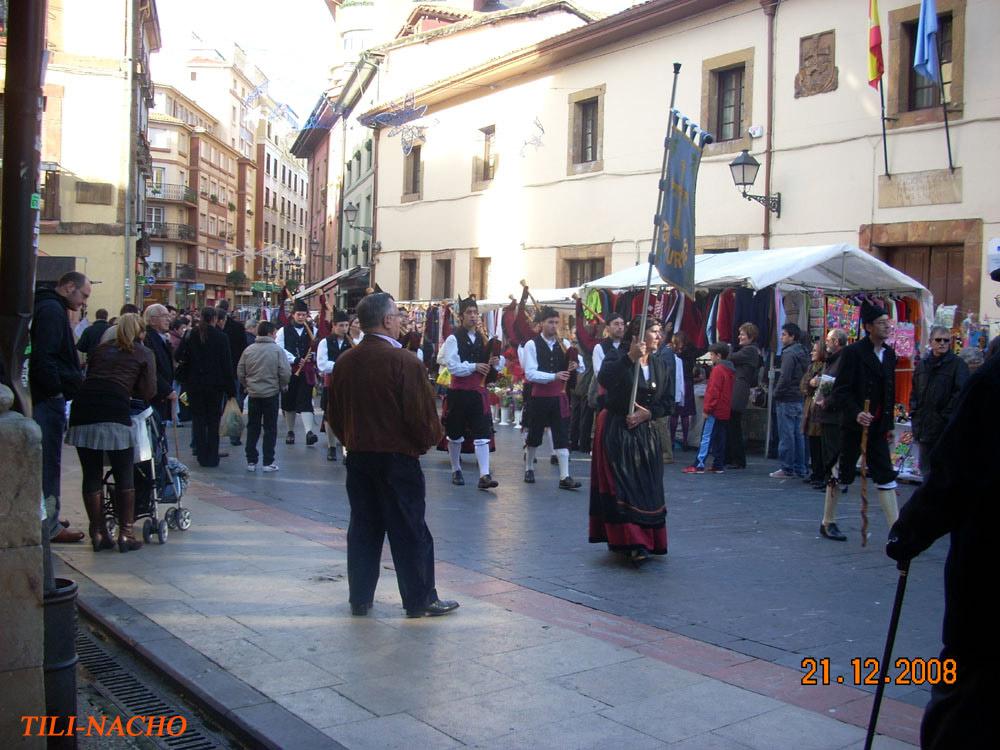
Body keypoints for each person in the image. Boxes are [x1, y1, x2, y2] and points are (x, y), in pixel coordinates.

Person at [885, 350, 998, 749]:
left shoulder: (991, 380)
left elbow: (954, 473)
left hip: (989, 572)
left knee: (967, 682)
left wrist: (910, 532)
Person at [328, 293, 459, 619]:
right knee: (410, 530)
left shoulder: (346, 361)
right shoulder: (406, 362)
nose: (401, 320)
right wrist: (425, 442)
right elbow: (422, 418)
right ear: (386, 320)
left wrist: (352, 441)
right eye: (398, 315)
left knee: (363, 528)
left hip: (359, 457)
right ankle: (419, 599)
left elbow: (333, 414)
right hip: (397, 459)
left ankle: (360, 597)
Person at [66, 313, 156, 552]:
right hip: (115, 409)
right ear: (140, 332)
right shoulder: (143, 352)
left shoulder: (101, 349)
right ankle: (126, 533)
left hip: (83, 407)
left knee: (91, 474)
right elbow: (148, 391)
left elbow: (91, 375)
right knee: (124, 472)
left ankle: (97, 532)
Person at [589, 317, 670, 565]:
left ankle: (648, 538)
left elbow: (667, 402)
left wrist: (649, 413)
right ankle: (633, 542)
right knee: (625, 487)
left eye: (660, 332)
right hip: (618, 430)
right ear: (638, 335)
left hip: (645, 435)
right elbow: (605, 379)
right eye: (654, 331)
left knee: (647, 486)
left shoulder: (660, 364)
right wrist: (630, 358)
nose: (659, 336)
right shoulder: (617, 356)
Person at [30, 271, 90, 544]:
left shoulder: (45, 306)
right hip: (47, 399)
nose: (83, 303)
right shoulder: (52, 311)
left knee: (47, 461)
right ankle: (50, 524)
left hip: (45, 396)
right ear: (68, 287)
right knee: (48, 462)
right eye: (83, 295)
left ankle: (48, 516)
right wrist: (55, 389)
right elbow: (46, 356)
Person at [831, 301, 899, 533]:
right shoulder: (852, 353)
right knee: (843, 472)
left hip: (878, 427)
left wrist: (888, 424)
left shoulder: (890, 355)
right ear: (868, 326)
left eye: (887, 323)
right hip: (854, 426)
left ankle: (896, 530)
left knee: (885, 474)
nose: (887, 327)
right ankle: (828, 521)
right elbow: (840, 390)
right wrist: (856, 412)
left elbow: (890, 391)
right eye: (881, 323)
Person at [440, 297, 502, 490]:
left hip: (478, 392)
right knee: (455, 433)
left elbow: (493, 366)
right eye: (469, 313)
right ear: (461, 316)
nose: (473, 316)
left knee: (482, 432)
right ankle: (456, 468)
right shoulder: (453, 338)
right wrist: (475, 366)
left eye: (475, 313)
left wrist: (494, 363)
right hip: (459, 392)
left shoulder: (483, 339)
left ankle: (484, 475)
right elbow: (453, 367)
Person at [520, 306, 581, 489]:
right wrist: (553, 376)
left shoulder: (565, 344)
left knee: (562, 434)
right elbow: (530, 373)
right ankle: (529, 467)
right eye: (550, 322)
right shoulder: (532, 345)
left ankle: (564, 477)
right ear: (541, 324)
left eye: (556, 322)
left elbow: (581, 367)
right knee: (535, 434)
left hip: (559, 397)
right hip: (539, 397)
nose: (554, 326)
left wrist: (575, 364)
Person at [175, 307, 235, 467]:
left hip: (194, 384)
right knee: (213, 420)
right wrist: (231, 390)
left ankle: (201, 454)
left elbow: (178, 355)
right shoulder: (221, 337)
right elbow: (226, 364)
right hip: (215, 385)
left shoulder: (190, 334)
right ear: (214, 319)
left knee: (199, 420)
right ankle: (212, 455)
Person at [910, 326, 969, 473]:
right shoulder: (922, 365)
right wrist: (914, 413)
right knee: (925, 469)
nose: (942, 343)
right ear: (931, 341)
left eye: (946, 340)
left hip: (944, 427)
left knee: (943, 469)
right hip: (923, 425)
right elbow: (915, 391)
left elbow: (960, 393)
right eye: (938, 340)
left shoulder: (958, 365)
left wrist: (945, 416)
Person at [238, 321, 291, 473]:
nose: (275, 335)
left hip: (253, 393)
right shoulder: (277, 350)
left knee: (253, 427)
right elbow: (285, 372)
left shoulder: (249, 350)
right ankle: (268, 461)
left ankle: (251, 461)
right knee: (270, 428)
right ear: (269, 333)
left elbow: (240, 371)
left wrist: (247, 385)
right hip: (271, 393)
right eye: (274, 332)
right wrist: (282, 384)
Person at [815, 328, 848, 541]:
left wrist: (827, 401)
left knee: (835, 466)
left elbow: (841, 389)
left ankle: (829, 521)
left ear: (836, 341)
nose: (825, 343)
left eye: (828, 340)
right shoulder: (833, 360)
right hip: (831, 417)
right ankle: (828, 521)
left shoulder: (841, 361)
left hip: (837, 418)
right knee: (833, 466)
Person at [683, 342, 734, 474]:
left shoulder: (718, 370)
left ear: (718, 356)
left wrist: (707, 409)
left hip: (715, 410)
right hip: (724, 409)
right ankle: (718, 464)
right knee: (720, 437)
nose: (710, 357)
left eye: (711, 354)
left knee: (706, 436)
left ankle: (699, 464)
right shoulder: (730, 370)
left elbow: (713, 391)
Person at [276, 300, 319, 446]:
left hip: (306, 371)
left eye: (304, 315)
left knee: (306, 399)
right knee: (289, 401)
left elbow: (317, 348)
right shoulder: (284, 330)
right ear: (293, 315)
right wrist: (294, 359)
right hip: (290, 370)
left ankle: (309, 432)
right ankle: (290, 431)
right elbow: (279, 349)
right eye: (299, 314)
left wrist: (311, 357)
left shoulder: (313, 331)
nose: (301, 317)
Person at [770, 323, 809, 479]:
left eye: (784, 334)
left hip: (787, 397)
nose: (781, 337)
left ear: (792, 336)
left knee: (787, 435)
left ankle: (787, 467)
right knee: (798, 434)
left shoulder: (789, 354)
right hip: (798, 397)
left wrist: (776, 393)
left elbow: (785, 377)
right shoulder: (803, 352)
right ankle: (800, 467)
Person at [317, 309, 352, 461]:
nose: (344, 329)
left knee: (346, 416)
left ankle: (346, 449)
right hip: (330, 384)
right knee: (329, 416)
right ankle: (331, 447)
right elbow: (322, 365)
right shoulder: (325, 342)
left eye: (346, 325)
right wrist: (342, 365)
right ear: (334, 325)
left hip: (347, 385)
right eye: (341, 325)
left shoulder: (351, 343)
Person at [726, 322, 762, 469]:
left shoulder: (750, 351)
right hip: (738, 389)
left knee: (734, 425)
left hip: (739, 390)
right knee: (732, 424)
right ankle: (732, 457)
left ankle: (737, 459)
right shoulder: (749, 350)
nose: (739, 336)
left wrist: (727, 348)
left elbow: (730, 357)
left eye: (742, 334)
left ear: (751, 336)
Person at [217, 300, 249, 446]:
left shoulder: (210, 329)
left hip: (223, 372)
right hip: (233, 370)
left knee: (224, 402)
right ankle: (233, 435)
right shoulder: (238, 327)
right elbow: (244, 350)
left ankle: (222, 433)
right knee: (235, 402)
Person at [143, 304, 176, 423]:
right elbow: (151, 369)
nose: (168, 319)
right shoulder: (148, 338)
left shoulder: (161, 338)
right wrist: (167, 390)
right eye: (164, 316)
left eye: (169, 316)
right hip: (155, 395)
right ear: (152, 320)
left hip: (162, 395)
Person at [801, 339, 827, 487]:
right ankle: (816, 472)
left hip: (820, 410)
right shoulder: (812, 367)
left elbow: (825, 388)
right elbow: (803, 386)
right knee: (813, 443)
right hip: (810, 409)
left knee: (820, 444)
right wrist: (811, 383)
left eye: (815, 350)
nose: (812, 352)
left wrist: (816, 384)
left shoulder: (826, 367)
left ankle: (821, 474)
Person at [669, 331, 697, 450]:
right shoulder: (691, 352)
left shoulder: (673, 354)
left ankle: (672, 440)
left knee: (675, 414)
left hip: (677, 382)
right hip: (688, 382)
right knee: (685, 414)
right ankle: (685, 440)